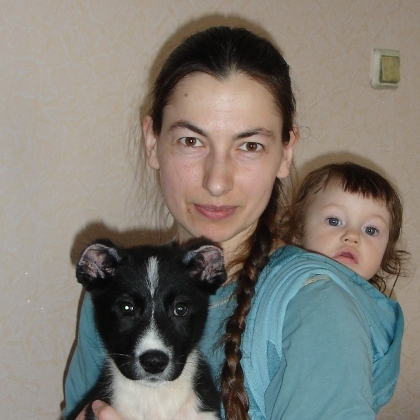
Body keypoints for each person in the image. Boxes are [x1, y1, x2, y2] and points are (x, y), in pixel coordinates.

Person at [64, 26, 404, 420]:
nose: (217, 181)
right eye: (191, 141)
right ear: (152, 142)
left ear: (286, 153)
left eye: (250, 146)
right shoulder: (117, 291)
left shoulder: (317, 309)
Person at [283, 161, 408, 293]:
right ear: (299, 229)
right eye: (334, 221)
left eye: (370, 230)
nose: (353, 236)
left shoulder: (375, 302)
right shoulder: (292, 287)